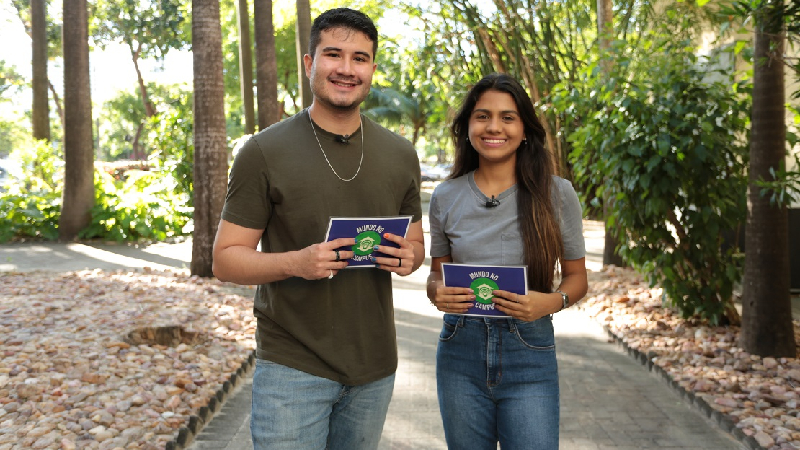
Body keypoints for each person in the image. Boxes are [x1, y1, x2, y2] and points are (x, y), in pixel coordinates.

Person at [212, 8, 425, 450]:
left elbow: (416, 242)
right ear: (310, 63)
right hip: (293, 367)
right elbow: (226, 259)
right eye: (333, 54)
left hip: (375, 368)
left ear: (372, 68)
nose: (346, 69)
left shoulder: (401, 154)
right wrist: (297, 262)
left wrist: (411, 257)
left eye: (360, 58)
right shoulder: (262, 151)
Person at [426, 72, 588, 450]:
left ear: (525, 129)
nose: (493, 126)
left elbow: (577, 278)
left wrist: (551, 302)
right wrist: (437, 293)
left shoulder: (557, 194)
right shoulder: (445, 197)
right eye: (482, 116)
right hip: (459, 350)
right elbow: (436, 275)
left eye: (507, 117)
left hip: (529, 352)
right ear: (467, 127)